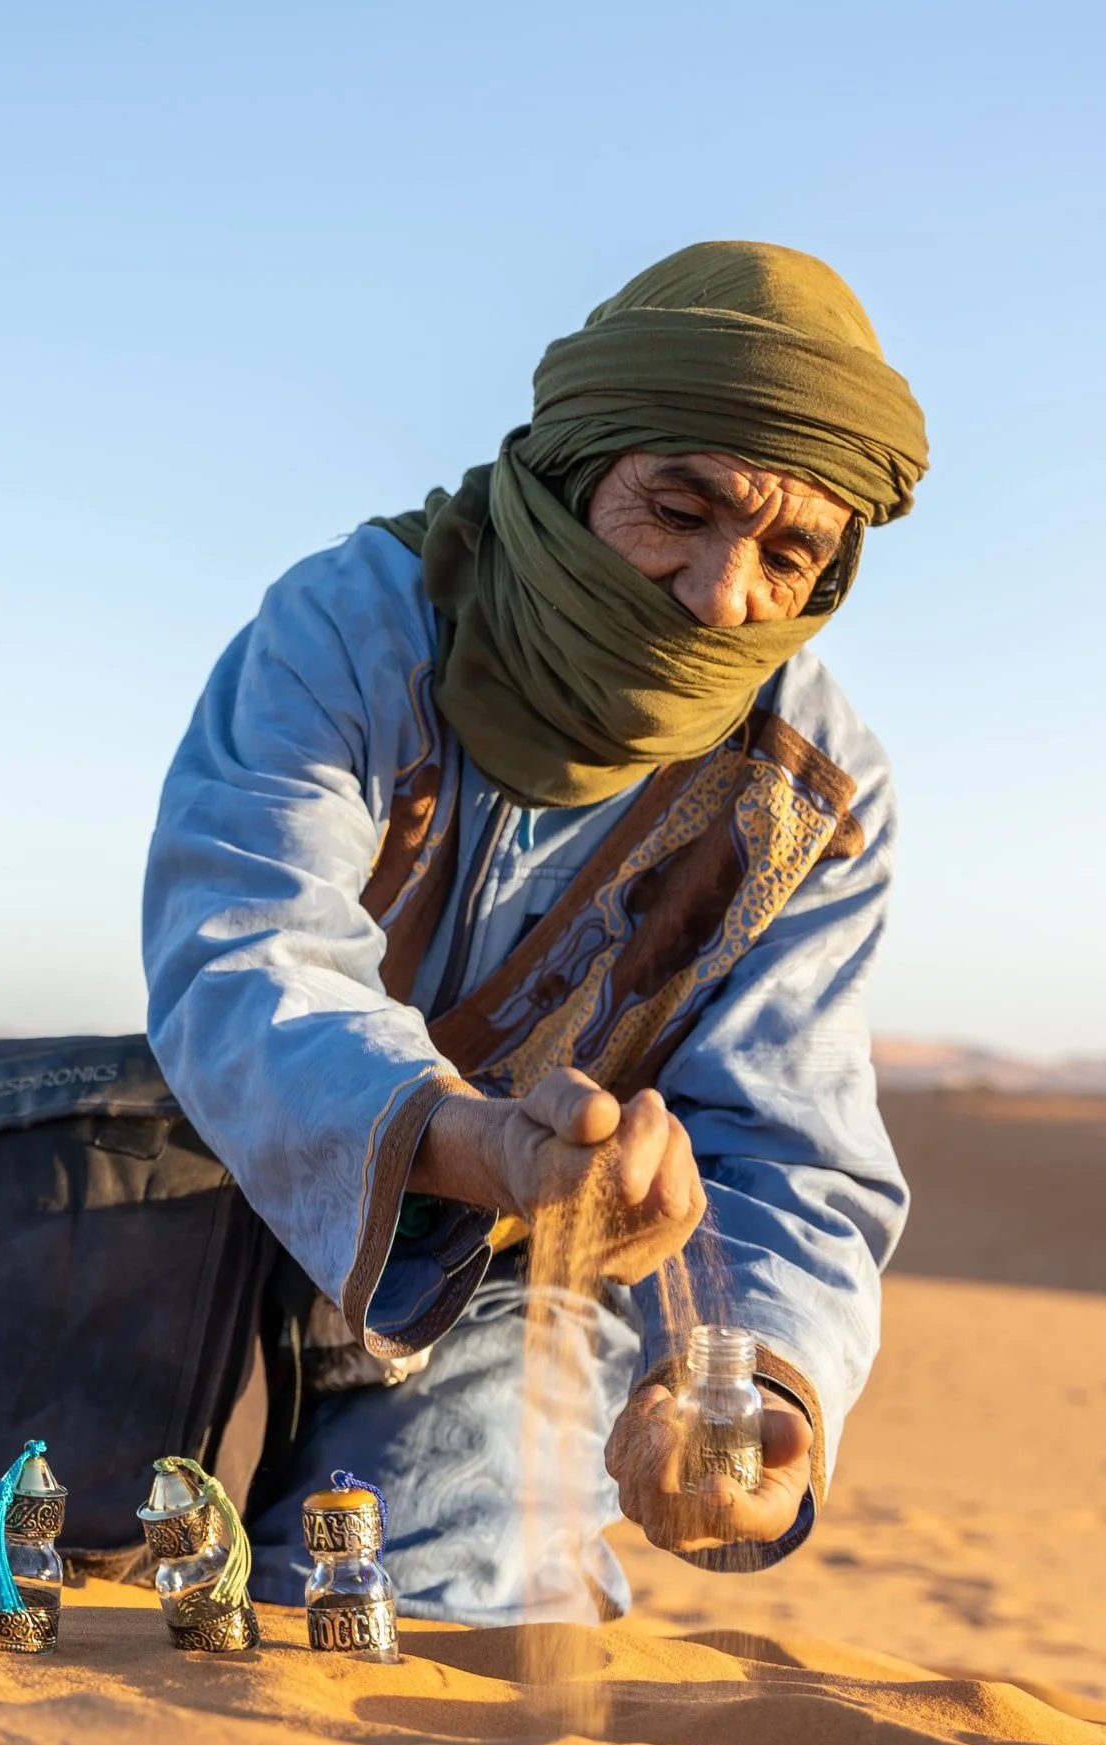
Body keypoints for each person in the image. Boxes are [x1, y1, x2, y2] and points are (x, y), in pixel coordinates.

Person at [142, 241, 928, 1624]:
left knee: (439, 1606)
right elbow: (245, 955)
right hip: (212, 1207)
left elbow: (789, 1147)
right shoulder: (360, 628)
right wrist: (469, 1139)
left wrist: (759, 1389)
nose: (719, 592)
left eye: (788, 554)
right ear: (576, 473)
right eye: (678, 508)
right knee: (12, 1564)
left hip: (508, 1286)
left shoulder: (812, 792)